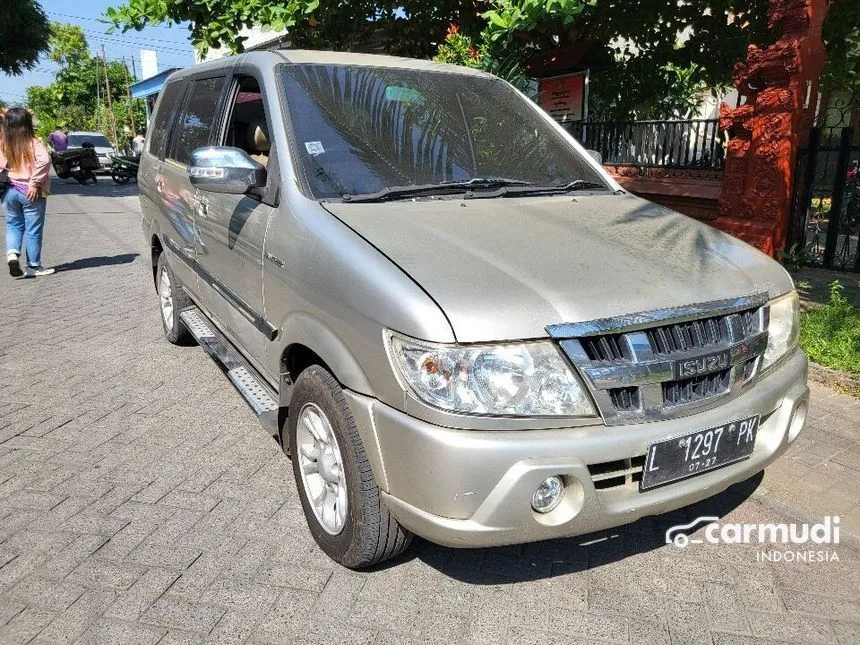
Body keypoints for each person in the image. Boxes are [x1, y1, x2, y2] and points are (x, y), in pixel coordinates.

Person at [1, 107, 54, 277]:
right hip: (30, 192)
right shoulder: (33, 142)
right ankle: (33, 266)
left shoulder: (3, 143)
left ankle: (12, 254)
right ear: (27, 123)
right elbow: (45, 160)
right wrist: (35, 182)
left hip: (9, 191)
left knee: (13, 225)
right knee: (33, 229)